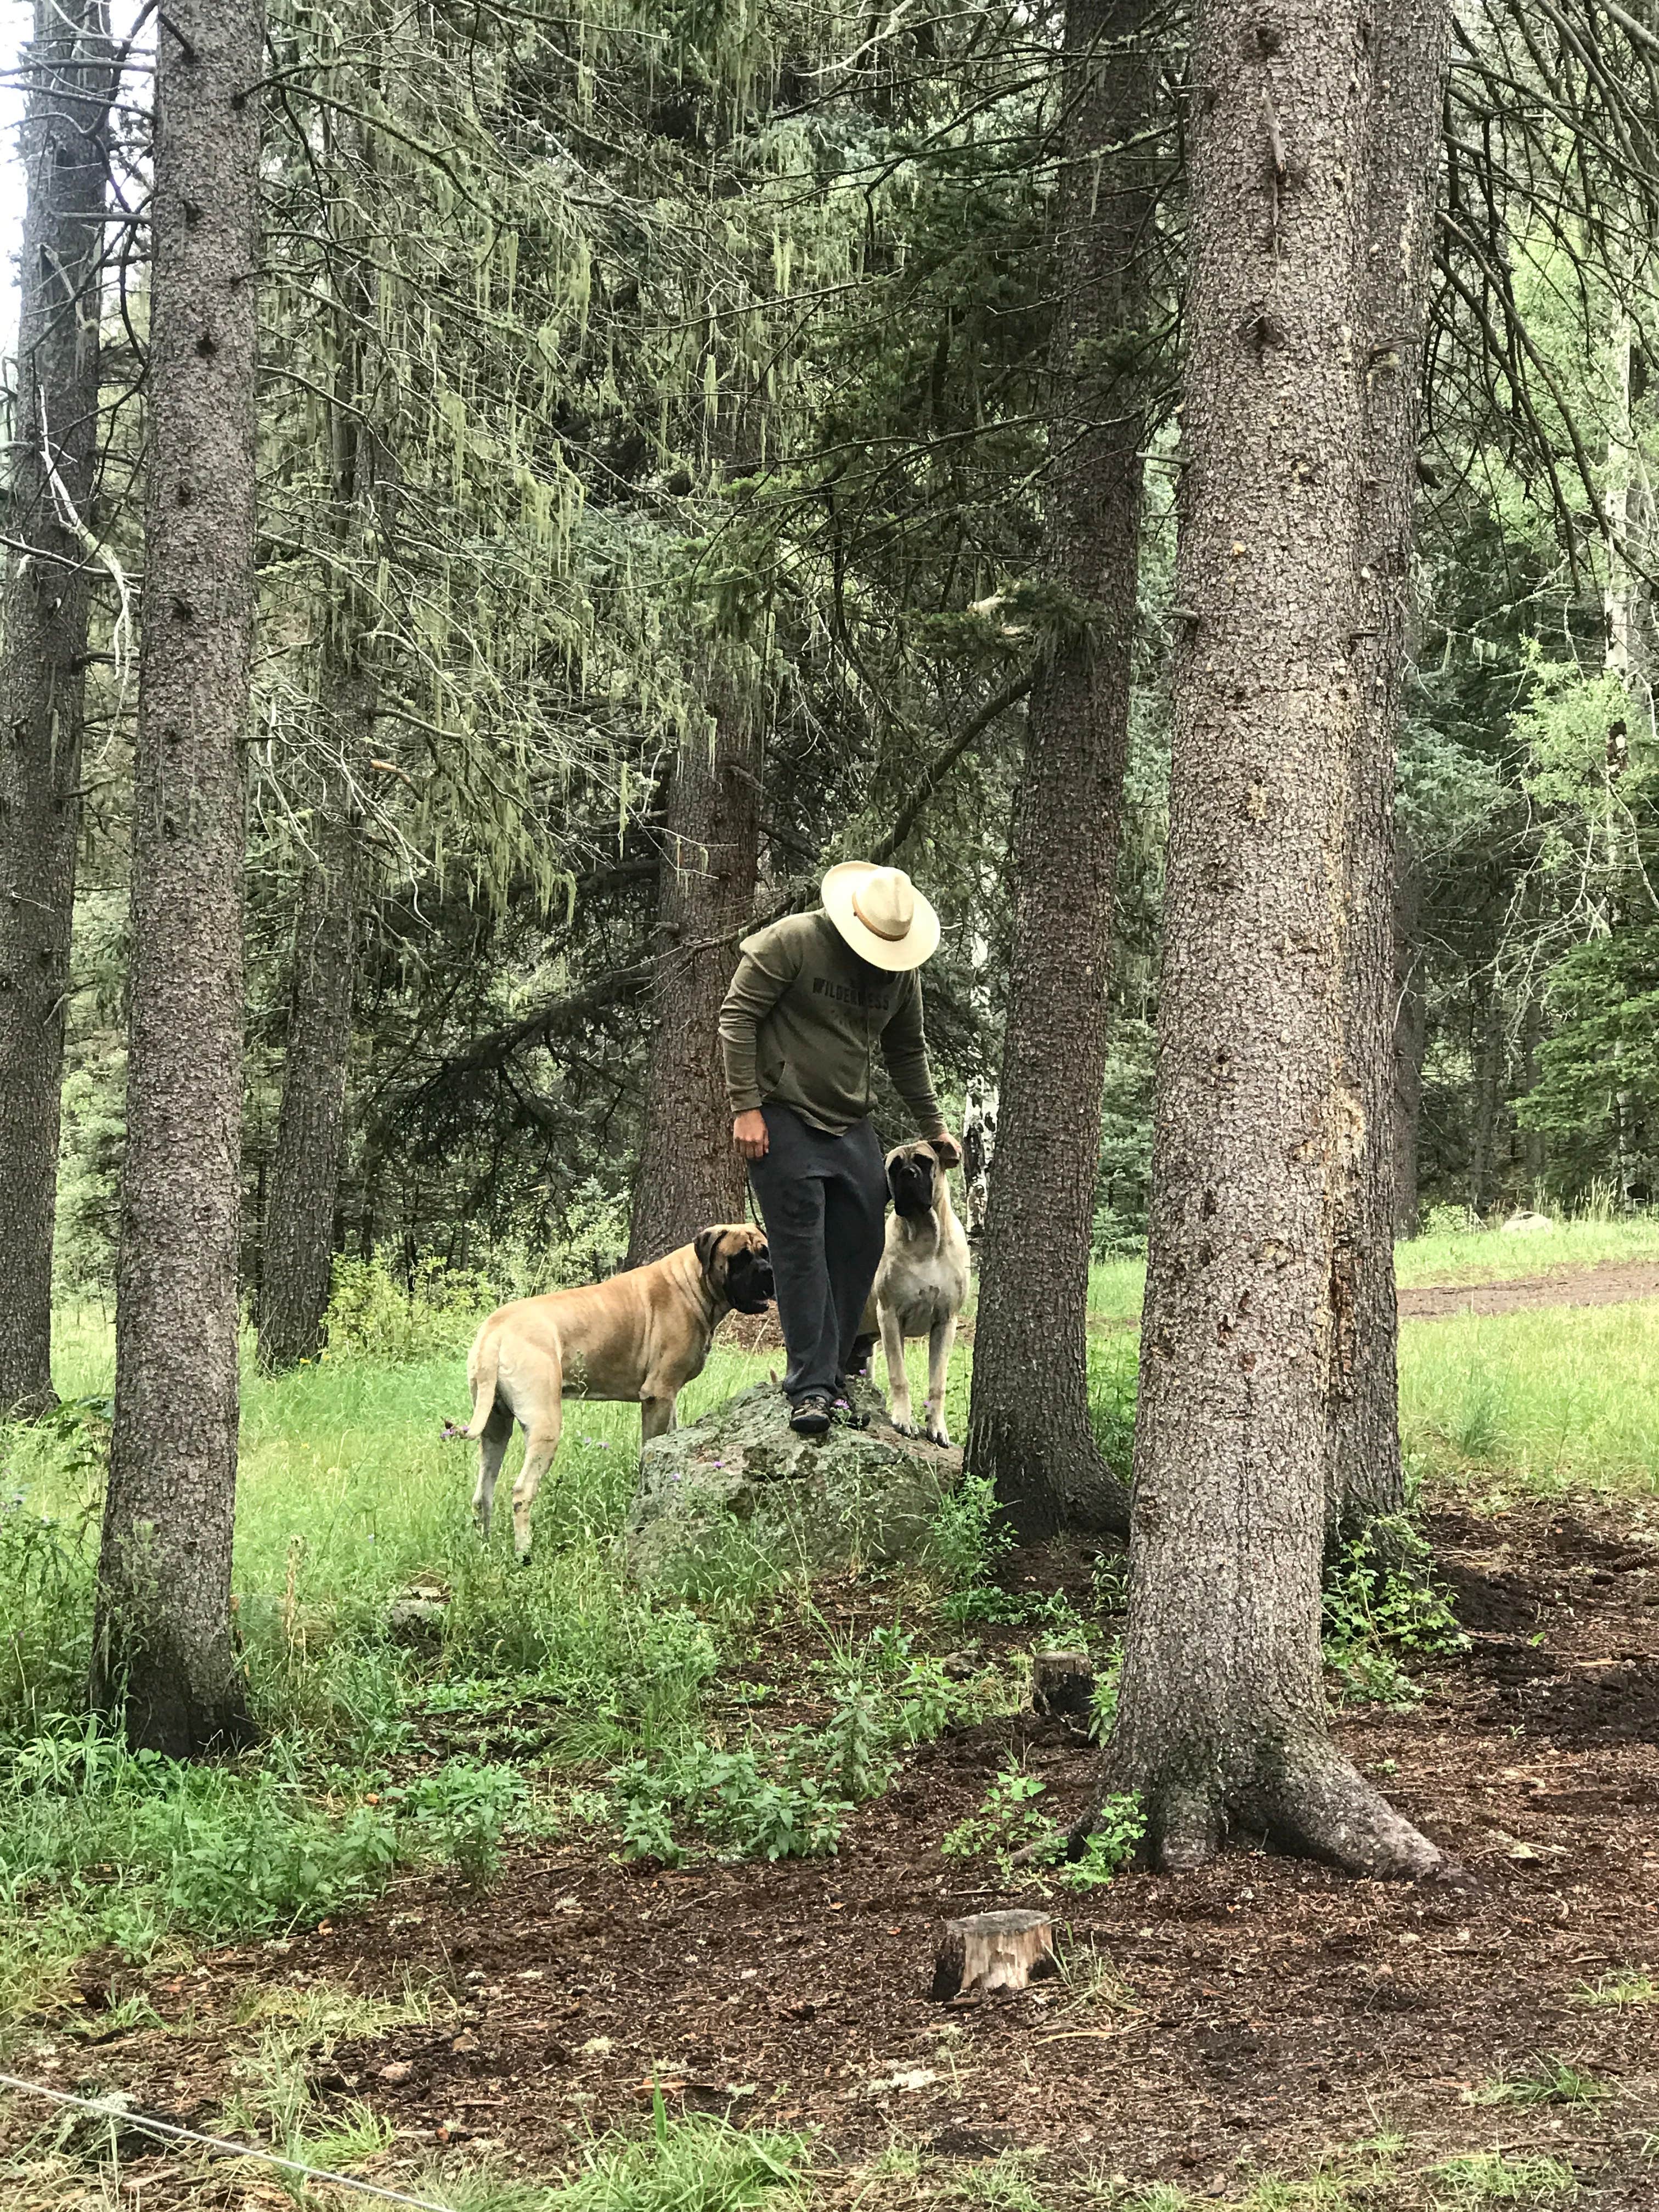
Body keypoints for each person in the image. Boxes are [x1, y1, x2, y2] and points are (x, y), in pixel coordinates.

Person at [719, 862, 960, 1436]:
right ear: (853, 917)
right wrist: (745, 1107)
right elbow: (737, 1016)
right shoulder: (793, 941)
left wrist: (935, 1126)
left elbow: (907, 1052)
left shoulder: (901, 975)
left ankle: (840, 1365)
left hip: (849, 1117)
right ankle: (810, 1390)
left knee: (860, 1240)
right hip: (782, 1113)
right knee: (801, 1248)